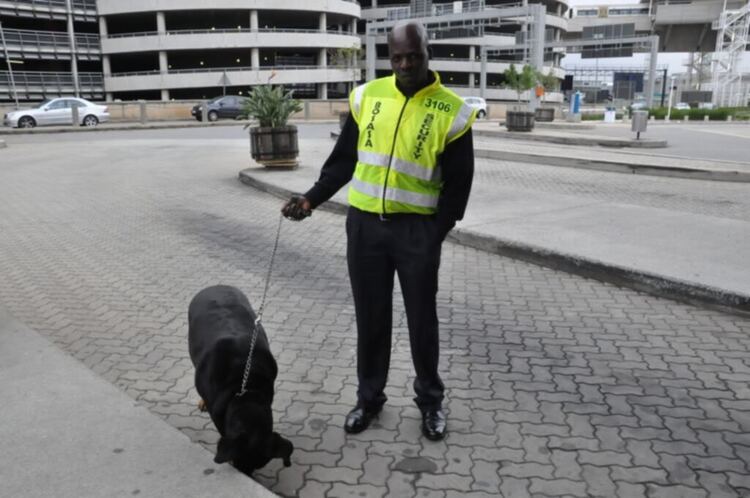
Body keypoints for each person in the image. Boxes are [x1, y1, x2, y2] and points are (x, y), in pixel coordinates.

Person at [281, 20, 476, 441]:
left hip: (415, 234)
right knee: (371, 319)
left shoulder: (453, 112)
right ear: (389, 56)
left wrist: (434, 233)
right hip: (365, 229)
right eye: (398, 57)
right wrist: (311, 198)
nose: (406, 64)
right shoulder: (367, 97)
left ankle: (430, 402)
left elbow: (458, 187)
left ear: (428, 52)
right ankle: (369, 399)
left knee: (422, 322)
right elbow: (343, 160)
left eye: (414, 56)